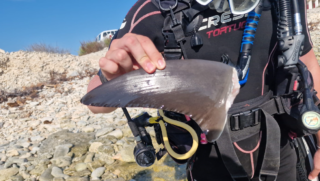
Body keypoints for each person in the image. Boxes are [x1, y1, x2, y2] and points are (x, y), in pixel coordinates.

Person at [86, 0, 320, 180]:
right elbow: (94, 101)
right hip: (208, 157)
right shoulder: (151, 12)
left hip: (280, 146)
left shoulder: (284, 4)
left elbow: (308, 65)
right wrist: (114, 76)